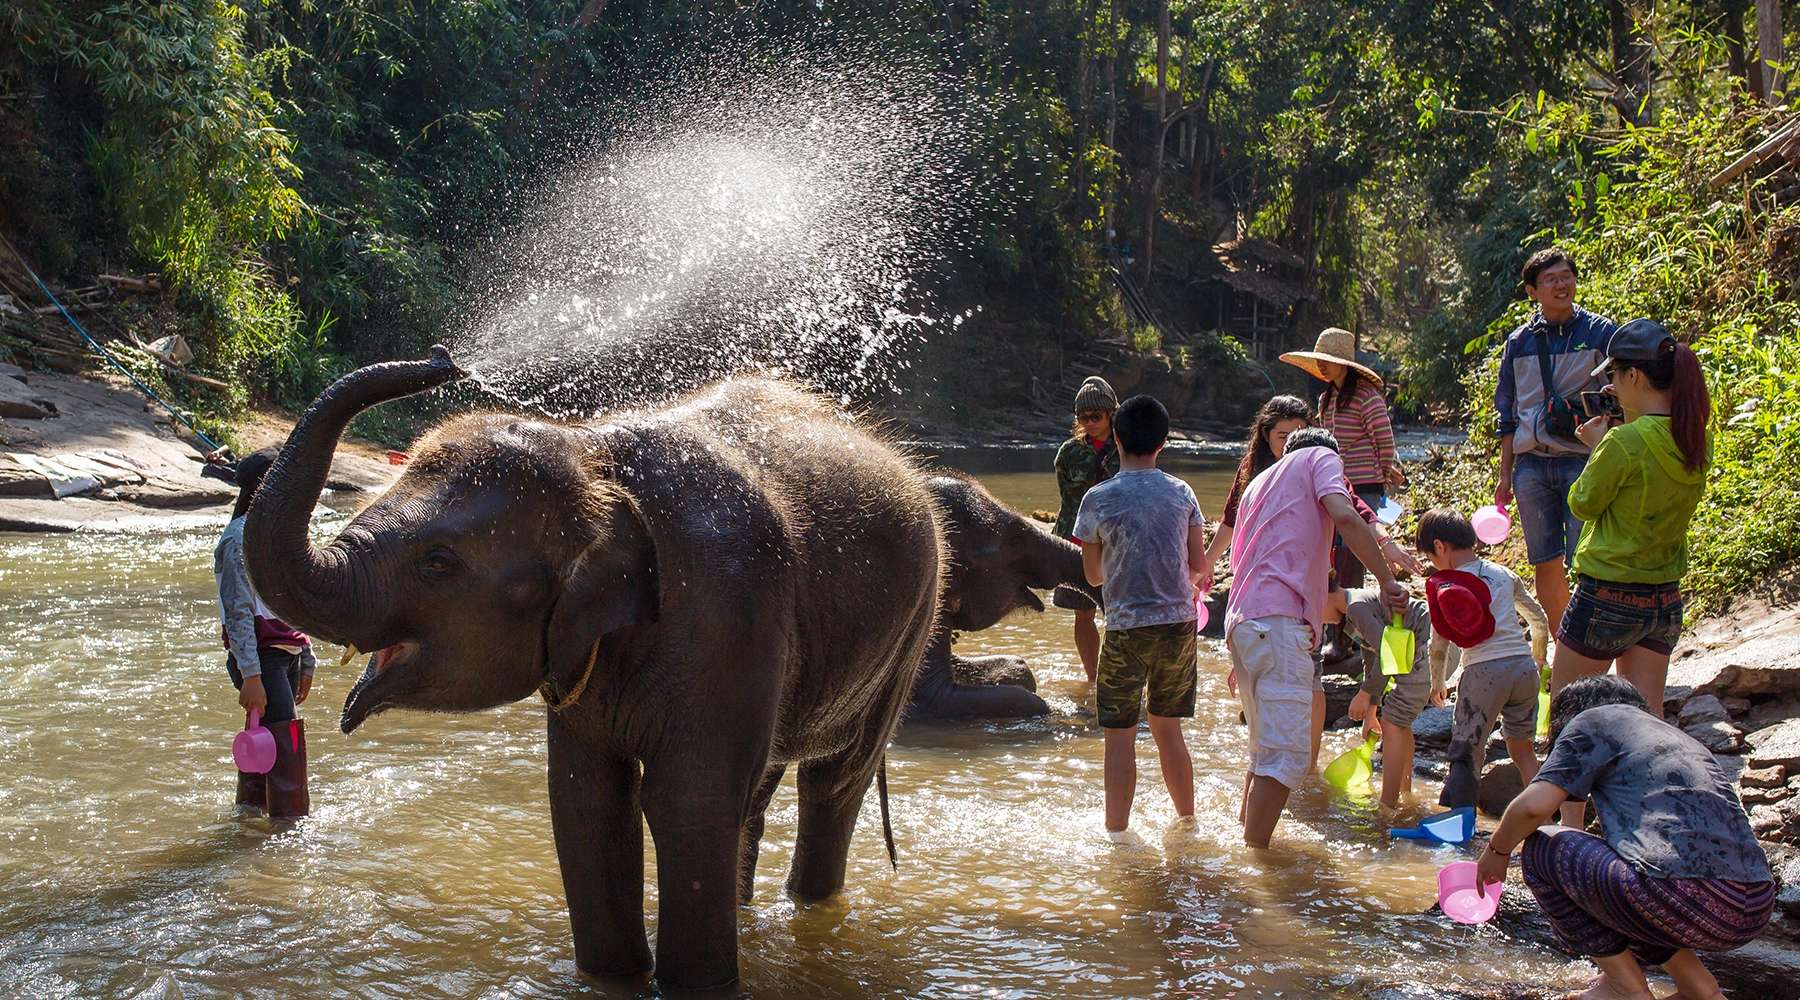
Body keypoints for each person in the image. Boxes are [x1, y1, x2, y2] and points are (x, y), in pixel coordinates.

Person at [1478, 677, 1772, 1000]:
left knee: (1543, 847)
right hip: (1754, 904)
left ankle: (1626, 988)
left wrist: (1498, 850)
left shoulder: (1593, 720)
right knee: (1634, 880)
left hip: (1684, 893)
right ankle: (1700, 988)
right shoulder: (1673, 739)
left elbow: (1533, 809)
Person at [1205, 395, 1421, 772]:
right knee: (1273, 744)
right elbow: (1231, 524)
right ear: (1266, 437)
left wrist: (1387, 547)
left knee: (1310, 675)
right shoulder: (1256, 477)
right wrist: (1204, 567)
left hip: (1303, 585)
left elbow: (1355, 509)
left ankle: (1306, 766)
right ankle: (1287, 777)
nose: (1291, 440)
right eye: (1282, 435)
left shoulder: (1317, 462)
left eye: (1299, 432)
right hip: (1268, 597)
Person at [1223, 427, 1405, 848]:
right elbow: (1345, 515)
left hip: (1244, 622)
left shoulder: (1258, 483)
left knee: (1262, 751)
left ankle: (1244, 843)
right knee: (1286, 758)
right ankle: (1258, 868)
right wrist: (1386, 579)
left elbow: (1242, 561)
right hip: (1279, 622)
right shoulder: (1321, 457)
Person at [1550, 319, 1711, 723]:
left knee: (1567, 720)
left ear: (1634, 375)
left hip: (1606, 596)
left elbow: (1583, 503)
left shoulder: (1622, 442)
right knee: (1647, 725)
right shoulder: (1696, 437)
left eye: (1616, 377)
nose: (1614, 387)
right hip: (1663, 599)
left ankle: (1565, 790)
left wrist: (1599, 445)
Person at [1072, 395, 1205, 838]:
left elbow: (1092, 575)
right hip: (1178, 624)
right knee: (1169, 729)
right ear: (1163, 443)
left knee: (1120, 736)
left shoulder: (1097, 498)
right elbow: (1199, 565)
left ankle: (1117, 834)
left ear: (1116, 438)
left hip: (1126, 627)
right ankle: (1187, 822)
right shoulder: (1182, 493)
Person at [1493, 247, 1618, 632]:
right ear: (1533, 290)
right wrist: (1504, 475)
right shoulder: (1519, 342)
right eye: (1550, 279)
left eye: (1566, 276)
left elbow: (1624, 391)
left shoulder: (1600, 332)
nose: (1561, 285)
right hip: (1531, 464)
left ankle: (1591, 637)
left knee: (1586, 556)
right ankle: (1567, 643)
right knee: (1544, 560)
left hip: (1584, 458)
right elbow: (1507, 414)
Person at [1414, 509, 1547, 810]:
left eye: (1431, 558)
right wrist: (1539, 656)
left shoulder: (1447, 587)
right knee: (1523, 751)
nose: (1434, 565)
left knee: (1466, 752)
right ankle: (1546, 817)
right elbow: (1538, 618)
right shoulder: (1503, 573)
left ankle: (1462, 829)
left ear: (1439, 547)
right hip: (1524, 669)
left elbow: (1439, 644)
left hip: (1483, 673)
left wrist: (1437, 683)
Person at [215, 448, 315, 818]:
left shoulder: (273, 536)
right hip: (260, 658)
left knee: (266, 742)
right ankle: (290, 828)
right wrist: (252, 676)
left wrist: (306, 658)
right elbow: (239, 613)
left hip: (283, 654)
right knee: (285, 742)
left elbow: (295, 603)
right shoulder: (238, 542)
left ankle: (249, 818)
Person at [1278, 327, 1404, 593]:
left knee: (1356, 541)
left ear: (1342, 365)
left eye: (1326, 362)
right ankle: (1334, 600)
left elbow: (1384, 439)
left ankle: (1351, 603)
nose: (1322, 366)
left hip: (1365, 483)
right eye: (1319, 362)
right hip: (1334, 481)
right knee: (1334, 542)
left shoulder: (1366, 396)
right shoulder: (1327, 398)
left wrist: (1383, 472)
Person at [1333, 581, 1439, 810]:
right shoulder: (1355, 608)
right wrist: (1371, 711)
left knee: (1392, 721)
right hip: (1425, 646)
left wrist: (1364, 693)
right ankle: (1404, 793)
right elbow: (1372, 657)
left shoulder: (1356, 608)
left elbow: (1385, 650)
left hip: (1428, 644)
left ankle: (1387, 806)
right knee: (1399, 721)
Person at [1054, 376, 1120, 683]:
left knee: (1120, 615)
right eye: (1083, 417)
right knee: (1083, 612)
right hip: (1077, 542)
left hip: (1119, 544)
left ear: (1111, 413)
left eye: (1096, 416)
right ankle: (1094, 679)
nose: (1090, 422)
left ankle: (1119, 678)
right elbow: (1066, 499)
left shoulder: (1127, 448)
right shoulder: (1068, 453)